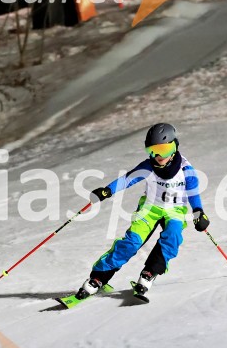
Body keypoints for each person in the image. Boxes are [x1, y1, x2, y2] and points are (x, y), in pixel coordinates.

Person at [75, 123, 210, 300]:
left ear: (174, 147)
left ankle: (150, 272)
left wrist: (199, 213)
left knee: (173, 236)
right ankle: (98, 278)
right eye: (153, 151)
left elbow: (193, 195)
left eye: (164, 149)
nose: (159, 156)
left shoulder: (186, 170)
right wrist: (107, 190)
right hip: (149, 208)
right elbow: (127, 180)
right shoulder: (148, 166)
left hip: (175, 210)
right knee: (132, 242)